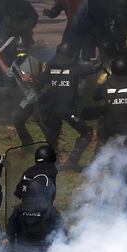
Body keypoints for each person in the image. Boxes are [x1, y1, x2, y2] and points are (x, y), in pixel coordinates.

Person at [37, 42, 99, 171]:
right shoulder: (75, 68)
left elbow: (40, 81)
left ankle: (52, 162)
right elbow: (92, 69)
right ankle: (72, 161)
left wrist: (43, 70)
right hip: (68, 109)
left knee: (52, 136)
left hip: (52, 109)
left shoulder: (49, 67)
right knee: (86, 132)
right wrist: (100, 63)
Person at [7, 175, 66, 252]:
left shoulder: (19, 210)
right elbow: (62, 232)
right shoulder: (50, 211)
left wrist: (12, 247)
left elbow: (10, 229)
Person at [0, 38, 42, 146]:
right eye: (19, 47)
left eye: (23, 48)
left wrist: (32, 77)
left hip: (37, 98)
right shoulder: (16, 62)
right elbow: (8, 73)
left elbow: (40, 78)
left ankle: (54, 146)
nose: (20, 50)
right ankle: (27, 143)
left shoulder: (32, 61)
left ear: (27, 49)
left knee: (43, 124)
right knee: (17, 120)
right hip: (28, 99)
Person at [94, 56, 127, 147]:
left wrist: (102, 78)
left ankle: (102, 147)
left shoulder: (106, 84)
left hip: (110, 125)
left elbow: (95, 96)